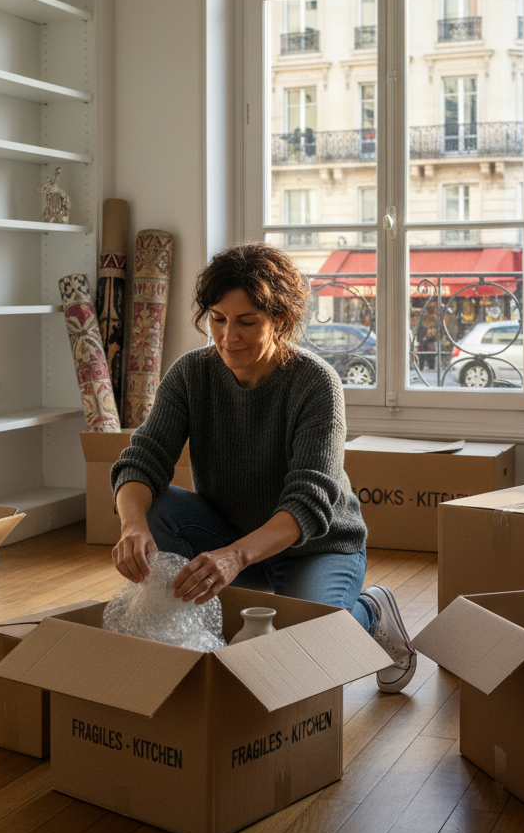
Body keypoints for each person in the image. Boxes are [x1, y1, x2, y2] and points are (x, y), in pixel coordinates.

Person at [110, 241, 416, 692]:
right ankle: (208, 629)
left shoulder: (316, 384)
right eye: (217, 319)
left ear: (280, 320)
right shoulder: (191, 374)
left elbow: (309, 503)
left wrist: (234, 558)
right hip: (230, 536)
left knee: (303, 651)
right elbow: (142, 459)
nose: (228, 337)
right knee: (153, 507)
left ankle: (370, 613)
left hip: (317, 547)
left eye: (247, 322)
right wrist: (131, 526)